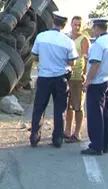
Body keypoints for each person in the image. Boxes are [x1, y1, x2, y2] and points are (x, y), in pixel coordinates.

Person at [29, 12, 79, 148]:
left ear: (53, 21)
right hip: (60, 78)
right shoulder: (68, 41)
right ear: (65, 25)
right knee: (59, 110)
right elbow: (72, 62)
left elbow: (34, 57)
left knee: (39, 108)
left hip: (44, 77)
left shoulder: (41, 37)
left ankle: (34, 137)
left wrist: (45, 60)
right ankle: (57, 139)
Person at [81, 18, 108, 155]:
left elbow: (96, 64)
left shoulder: (98, 43)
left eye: (93, 28)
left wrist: (87, 81)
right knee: (105, 113)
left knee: (95, 114)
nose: (93, 31)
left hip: (98, 82)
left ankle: (96, 146)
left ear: (97, 28)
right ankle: (104, 145)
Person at [64, 16, 90, 143]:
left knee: (78, 106)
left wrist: (85, 74)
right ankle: (67, 131)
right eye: (75, 24)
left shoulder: (84, 40)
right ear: (71, 25)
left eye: (79, 25)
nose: (77, 27)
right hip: (68, 76)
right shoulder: (68, 39)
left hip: (79, 78)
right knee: (68, 106)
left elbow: (86, 59)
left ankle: (77, 133)